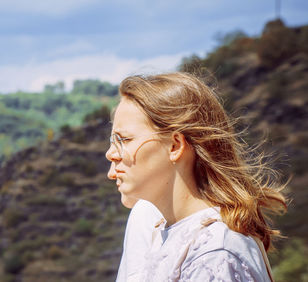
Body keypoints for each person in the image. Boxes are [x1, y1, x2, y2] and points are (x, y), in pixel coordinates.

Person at [105, 72, 287, 281]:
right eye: (112, 140)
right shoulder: (169, 233)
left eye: (124, 139)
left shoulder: (216, 254)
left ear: (175, 146)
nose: (110, 153)